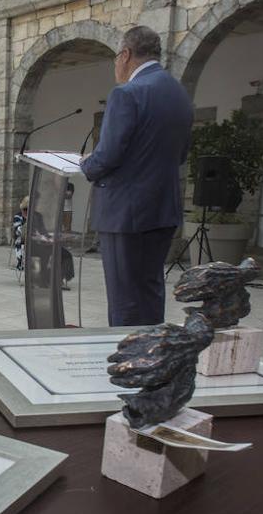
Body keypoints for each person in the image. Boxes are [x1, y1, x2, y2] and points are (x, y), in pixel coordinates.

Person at [80, 25, 193, 327]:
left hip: (125, 215)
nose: (116, 65)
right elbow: (181, 155)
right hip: (162, 211)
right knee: (149, 291)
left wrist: (86, 164)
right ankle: (153, 355)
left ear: (126, 54)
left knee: (125, 300)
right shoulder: (178, 93)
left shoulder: (127, 93)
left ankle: (129, 364)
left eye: (116, 57)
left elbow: (109, 155)